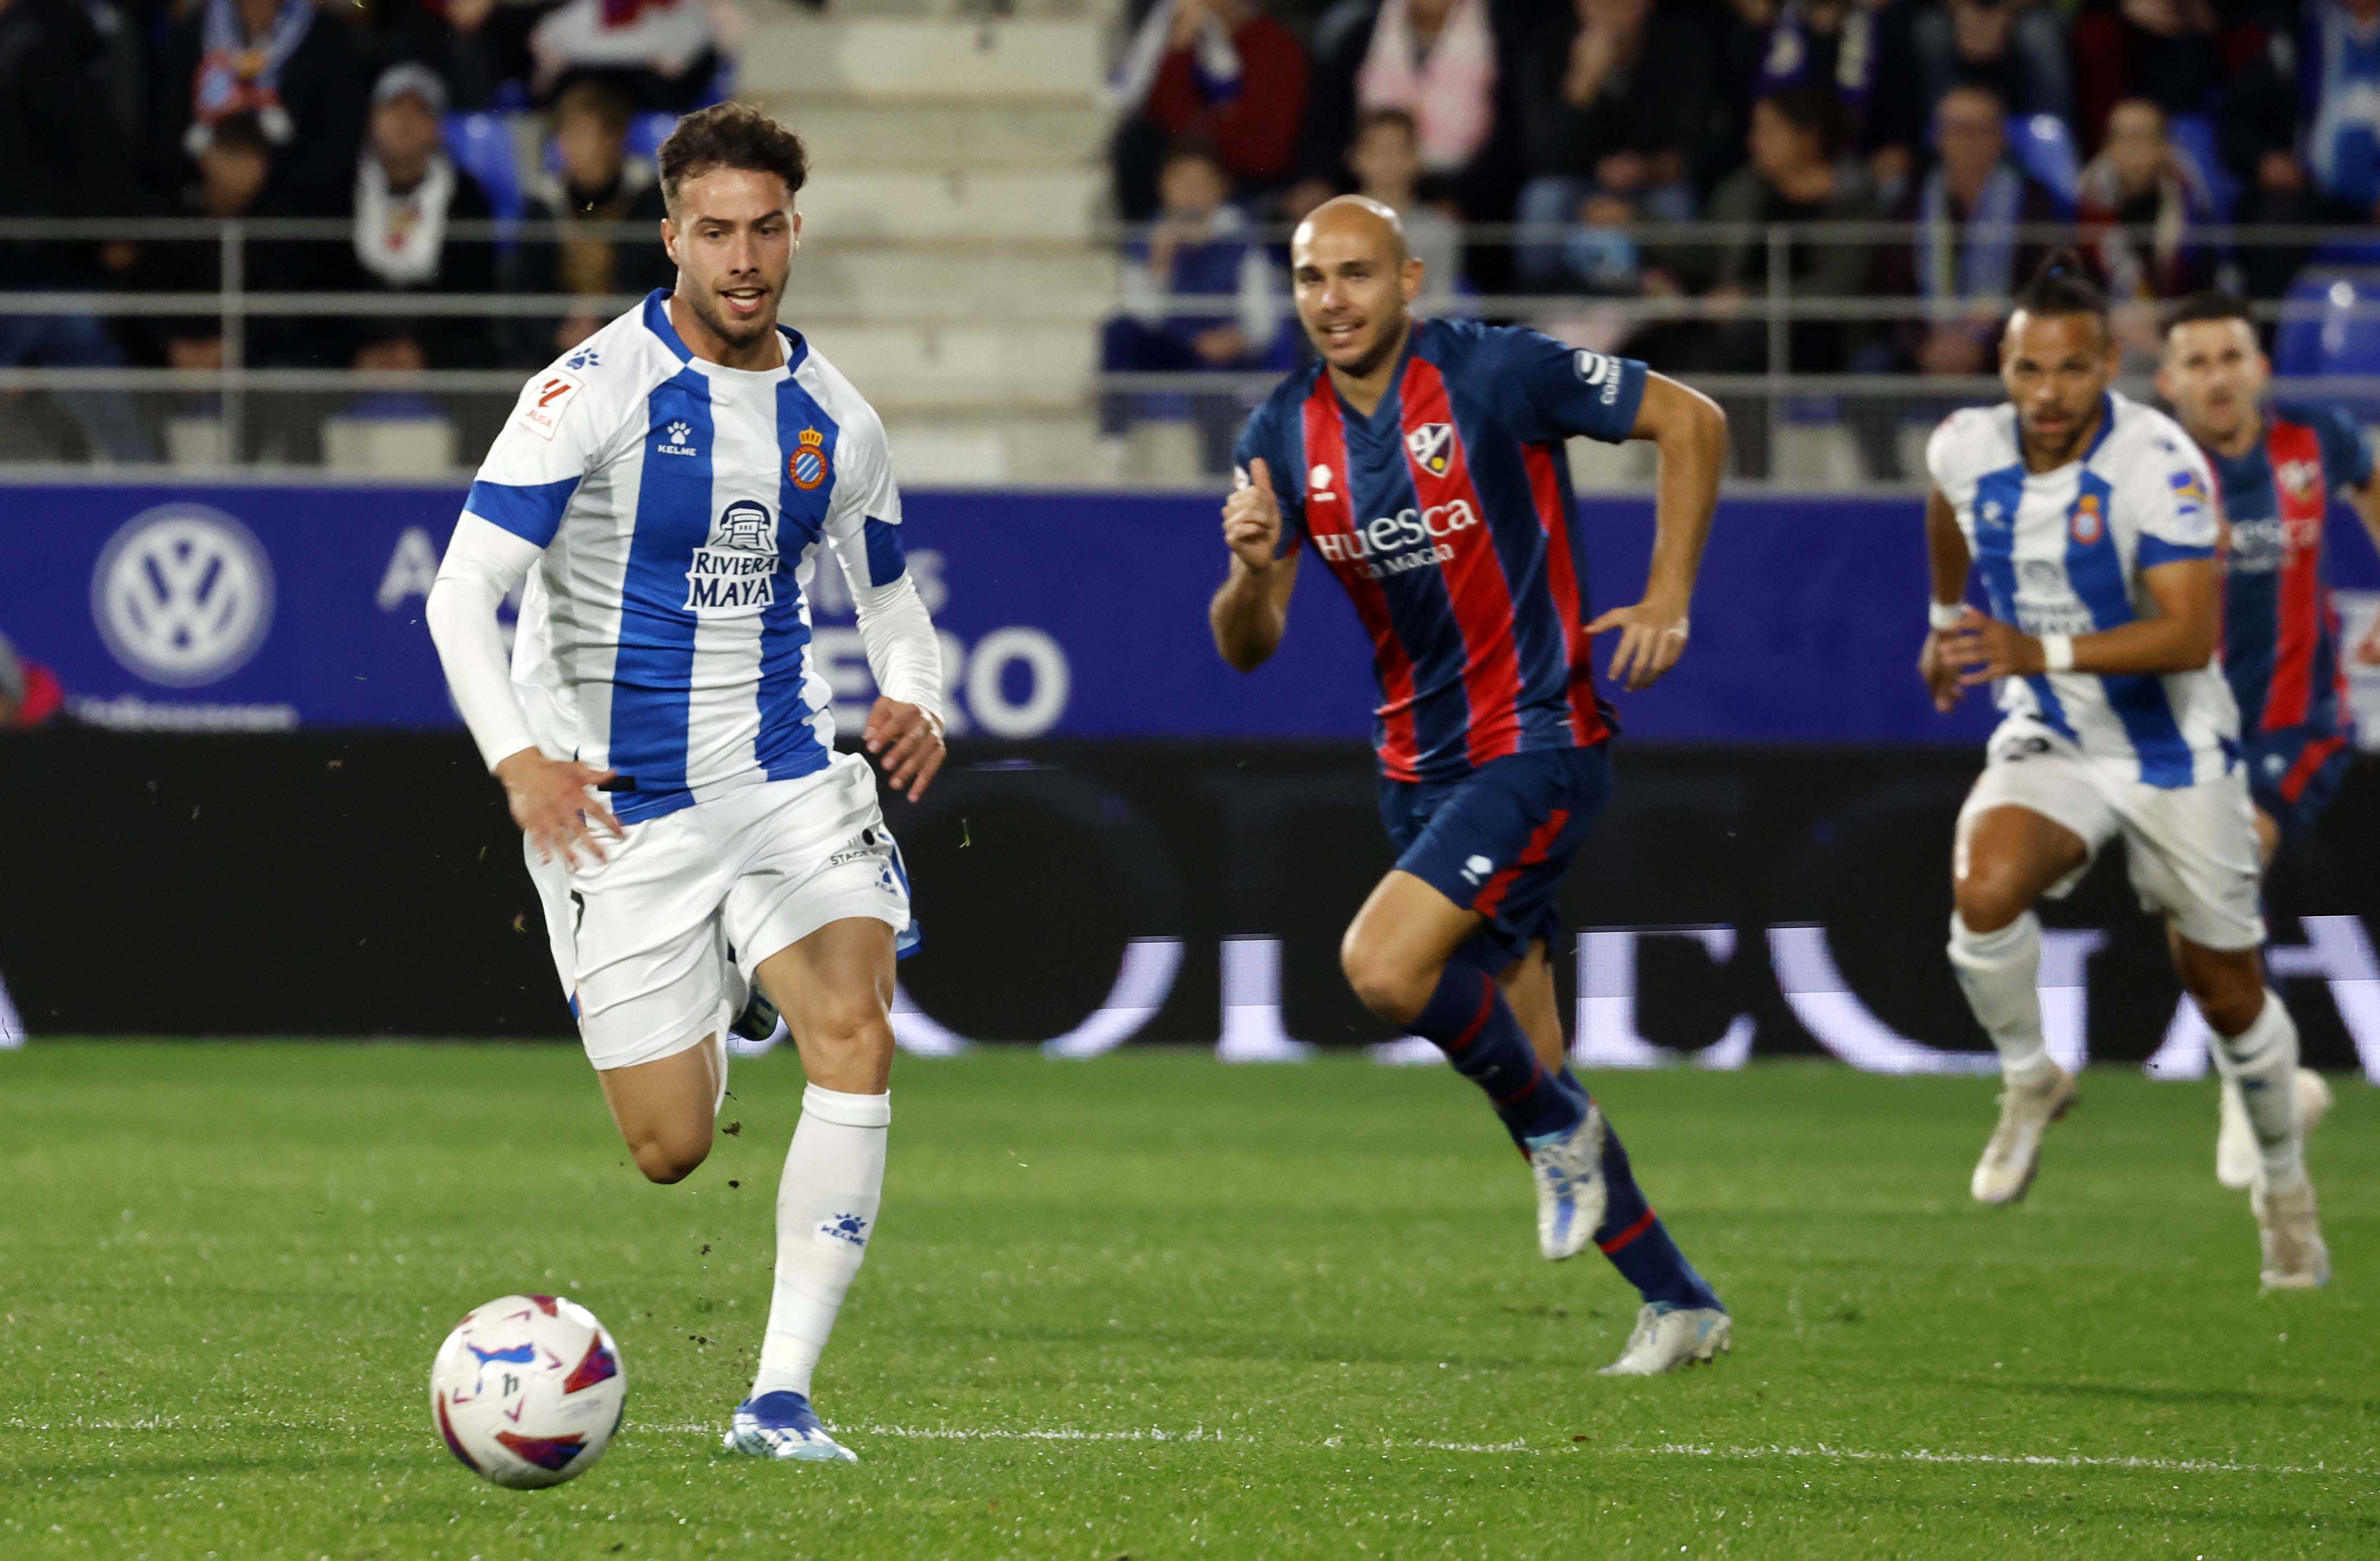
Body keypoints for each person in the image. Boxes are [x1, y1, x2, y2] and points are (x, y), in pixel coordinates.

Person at [423, 103, 949, 1463]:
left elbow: (892, 604)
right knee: (669, 1146)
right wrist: (520, 760)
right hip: (617, 807)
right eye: (715, 231)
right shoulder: (588, 393)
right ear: (670, 236)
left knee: (855, 1029)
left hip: (781, 777)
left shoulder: (835, 419)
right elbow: (460, 593)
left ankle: (778, 1398)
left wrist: (916, 690)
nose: (743, 257)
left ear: (794, 231)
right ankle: (729, 981)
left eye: (765, 229)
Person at [1212, 195, 1734, 1376]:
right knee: (1530, 1061)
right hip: (1416, 766)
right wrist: (1247, 571)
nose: (1332, 299)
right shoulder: (1281, 430)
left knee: (1383, 966)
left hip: (1538, 737)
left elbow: (1691, 419)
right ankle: (1678, 1298)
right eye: (1310, 278)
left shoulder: (1497, 371)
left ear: (1409, 279)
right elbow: (1249, 644)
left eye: (1356, 273)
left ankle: (1564, 1133)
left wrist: (1668, 595)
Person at [1919, 255, 2329, 1289]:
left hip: (2175, 750)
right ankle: (2030, 1078)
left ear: (2109, 363)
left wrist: (2035, 648)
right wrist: (1943, 619)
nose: (2047, 393)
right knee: (1982, 891)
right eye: (2028, 369)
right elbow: (1944, 505)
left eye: (2070, 368)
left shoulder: (2159, 462)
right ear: (2003, 367)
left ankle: (2283, 1190)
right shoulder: (1965, 443)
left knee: (2225, 990)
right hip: (2054, 733)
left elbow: (2188, 632)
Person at [2157, 291, 2376, 1188]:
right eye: (2196, 362)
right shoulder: (2147, 469)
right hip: (2191, 730)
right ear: (2167, 381)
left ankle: (2252, 1091)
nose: (2216, 377)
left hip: (2299, 718)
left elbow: (2369, 480)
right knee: (2194, 906)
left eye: (2229, 357)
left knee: (2231, 864)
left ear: (2260, 368)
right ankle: (2272, 1081)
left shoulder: (2314, 439)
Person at [343, 63, 500, 371]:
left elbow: (474, 294)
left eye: (420, 112)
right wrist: (356, 353)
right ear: (373, 120)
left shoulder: (469, 198)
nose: (405, 122)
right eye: (394, 109)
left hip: (438, 345)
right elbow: (322, 282)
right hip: (356, 339)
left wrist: (428, 355)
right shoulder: (337, 189)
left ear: (439, 127)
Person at [512, 77, 674, 362]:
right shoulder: (543, 203)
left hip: (636, 347)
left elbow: (662, 284)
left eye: (584, 135)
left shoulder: (650, 199)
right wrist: (556, 332)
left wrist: (607, 327)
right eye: (565, 136)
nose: (570, 148)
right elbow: (524, 288)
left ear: (614, 139)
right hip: (556, 350)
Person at [1107, 0, 1309, 222]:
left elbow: (1265, 149)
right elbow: (1161, 114)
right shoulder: (1167, 37)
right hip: (1182, 168)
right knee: (1136, 141)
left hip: (1247, 175)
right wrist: (1180, 49)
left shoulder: (1277, 46)